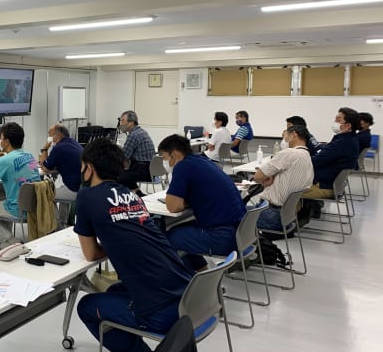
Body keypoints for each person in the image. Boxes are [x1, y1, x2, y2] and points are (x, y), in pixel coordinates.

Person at [74, 138, 192, 352]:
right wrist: (116, 241)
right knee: (114, 290)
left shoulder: (86, 196)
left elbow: (91, 254)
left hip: (160, 311)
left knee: (87, 307)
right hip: (188, 296)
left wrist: (109, 243)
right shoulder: (129, 194)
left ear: (90, 168)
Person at [158, 134, 246, 272]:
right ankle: (201, 269)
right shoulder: (203, 161)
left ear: (173, 155)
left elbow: (173, 206)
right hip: (240, 232)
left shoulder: (182, 167)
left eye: (164, 157)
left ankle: (188, 280)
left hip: (223, 237)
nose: (165, 162)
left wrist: (182, 201)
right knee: (184, 229)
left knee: (169, 238)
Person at [253, 124, 314, 231]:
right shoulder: (306, 156)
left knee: (229, 214)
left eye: (285, 136)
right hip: (287, 217)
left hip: (271, 215)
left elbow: (257, 177)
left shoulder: (289, 153)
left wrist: (265, 178)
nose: (284, 140)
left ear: (294, 134)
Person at [303, 107, 360, 199]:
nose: (335, 122)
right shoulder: (350, 139)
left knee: (288, 193)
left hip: (323, 186)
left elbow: (315, 162)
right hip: (332, 185)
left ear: (348, 125)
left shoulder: (342, 143)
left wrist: (298, 159)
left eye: (338, 119)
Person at [39, 124, 83, 225]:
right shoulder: (74, 143)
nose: (49, 137)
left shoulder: (59, 148)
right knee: (63, 189)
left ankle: (57, 226)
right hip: (83, 187)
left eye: (50, 134)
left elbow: (45, 168)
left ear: (58, 135)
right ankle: (64, 222)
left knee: (47, 195)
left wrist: (44, 149)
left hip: (74, 189)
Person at [117, 110, 156, 191]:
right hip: (150, 171)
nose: (121, 124)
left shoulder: (133, 135)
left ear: (131, 122)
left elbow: (124, 156)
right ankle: (135, 192)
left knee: (116, 176)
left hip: (141, 171)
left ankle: (125, 196)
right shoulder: (142, 132)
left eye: (123, 121)